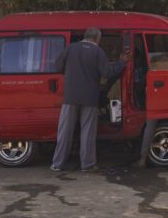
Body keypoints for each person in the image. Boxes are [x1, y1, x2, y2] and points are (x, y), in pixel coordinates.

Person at [50, 28, 126, 172]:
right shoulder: (98, 52)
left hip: (70, 96)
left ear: (85, 37)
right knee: (87, 132)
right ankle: (87, 165)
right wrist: (121, 62)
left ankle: (57, 163)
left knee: (65, 131)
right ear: (97, 38)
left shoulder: (70, 48)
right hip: (90, 97)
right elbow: (107, 72)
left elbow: (57, 66)